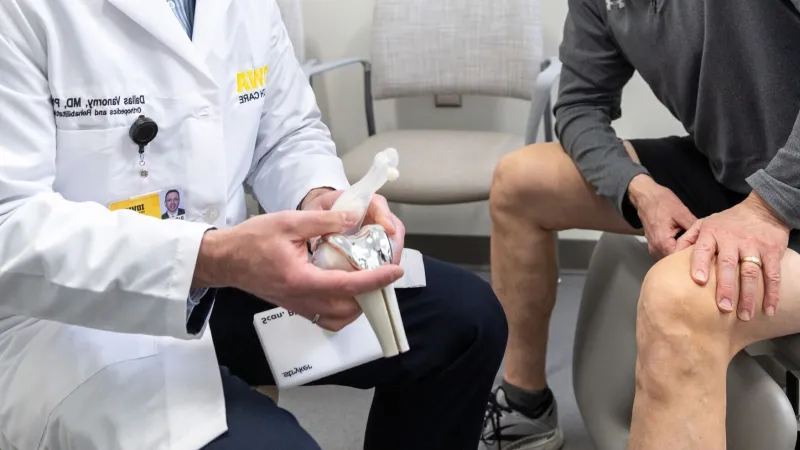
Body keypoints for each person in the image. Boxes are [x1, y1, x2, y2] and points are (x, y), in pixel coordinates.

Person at [0, 1, 507, 449]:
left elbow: (286, 133)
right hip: (70, 315)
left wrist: (323, 202)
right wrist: (214, 257)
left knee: (466, 321)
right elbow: (10, 222)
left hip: (230, 276)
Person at [482, 0, 800, 448]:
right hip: (730, 176)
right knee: (521, 182)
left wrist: (770, 206)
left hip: (783, 189)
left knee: (677, 296)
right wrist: (637, 188)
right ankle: (524, 406)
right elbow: (579, 106)